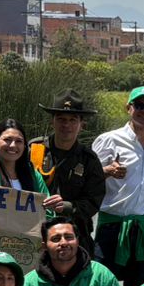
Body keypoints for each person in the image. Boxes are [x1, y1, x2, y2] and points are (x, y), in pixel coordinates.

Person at [92, 86, 144, 286]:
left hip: (142, 228)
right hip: (112, 225)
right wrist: (107, 170)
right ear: (129, 108)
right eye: (139, 105)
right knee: (102, 284)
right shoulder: (109, 139)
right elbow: (89, 176)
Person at [31, 89, 106, 245]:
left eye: (73, 120)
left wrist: (67, 206)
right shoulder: (33, 150)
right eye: (61, 119)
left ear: (81, 125)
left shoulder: (89, 160)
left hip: (74, 237)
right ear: (52, 121)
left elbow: (94, 202)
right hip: (34, 233)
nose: (67, 125)